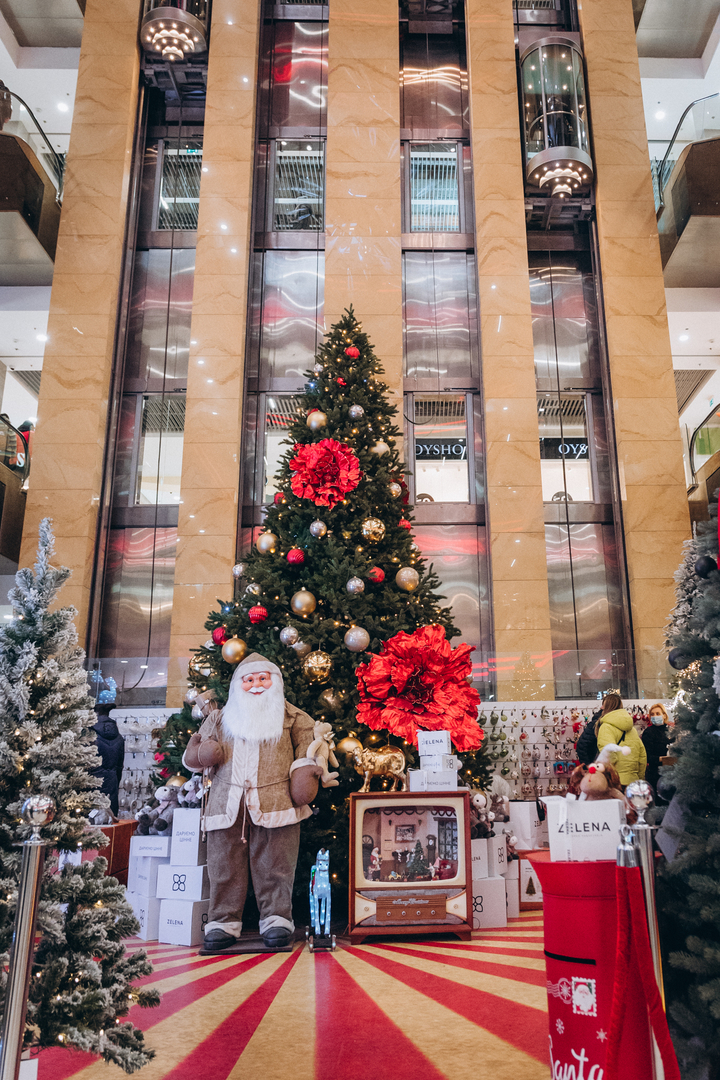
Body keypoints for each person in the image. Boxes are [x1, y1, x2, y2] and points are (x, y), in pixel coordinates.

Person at [183, 652, 328, 953]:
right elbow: (192, 757)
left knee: (277, 863)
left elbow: (311, 750)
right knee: (223, 865)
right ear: (239, 684)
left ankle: (277, 919)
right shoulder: (219, 717)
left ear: (275, 682)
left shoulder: (294, 718)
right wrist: (202, 754)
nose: (257, 686)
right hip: (226, 803)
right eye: (249, 680)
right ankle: (223, 921)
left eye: (263, 679)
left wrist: (305, 774)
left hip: (277, 803)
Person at [595, 693, 647, 788]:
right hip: (633, 781)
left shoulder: (606, 727)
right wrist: (639, 778)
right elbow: (642, 756)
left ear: (605, 707)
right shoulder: (633, 730)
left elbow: (610, 756)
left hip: (615, 782)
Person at [91, 703, 125, 816]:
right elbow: (120, 765)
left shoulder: (89, 735)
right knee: (110, 819)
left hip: (92, 781)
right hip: (112, 780)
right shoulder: (119, 737)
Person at [641, 703, 672, 796]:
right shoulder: (648, 732)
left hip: (672, 772)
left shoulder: (670, 730)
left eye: (658, 713)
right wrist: (663, 759)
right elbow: (647, 756)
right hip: (656, 773)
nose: (655, 716)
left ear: (664, 715)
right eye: (652, 714)